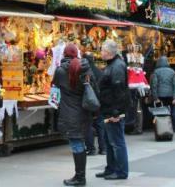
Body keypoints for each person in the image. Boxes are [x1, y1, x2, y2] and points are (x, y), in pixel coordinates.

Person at [53, 43, 94, 186]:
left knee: (76, 144)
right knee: (80, 143)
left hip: (70, 112)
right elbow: (94, 87)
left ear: (64, 54)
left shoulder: (60, 71)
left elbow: (55, 87)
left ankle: (80, 177)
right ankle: (79, 176)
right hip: (84, 110)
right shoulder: (86, 68)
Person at [95, 40, 130, 181]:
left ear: (108, 52)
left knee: (116, 142)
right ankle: (111, 169)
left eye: (102, 50)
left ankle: (121, 171)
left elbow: (119, 90)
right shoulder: (113, 65)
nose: (101, 53)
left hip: (114, 110)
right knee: (110, 142)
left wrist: (117, 111)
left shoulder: (117, 66)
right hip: (109, 108)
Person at [83, 52, 106, 156]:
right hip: (99, 102)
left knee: (88, 125)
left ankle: (91, 148)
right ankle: (103, 148)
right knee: (100, 125)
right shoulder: (100, 72)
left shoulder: (83, 73)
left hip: (87, 102)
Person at [150, 56, 175, 132]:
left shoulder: (156, 72)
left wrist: (155, 98)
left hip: (160, 95)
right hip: (171, 95)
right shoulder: (172, 71)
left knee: (160, 112)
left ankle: (161, 127)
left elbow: (154, 85)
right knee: (173, 112)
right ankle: (174, 127)